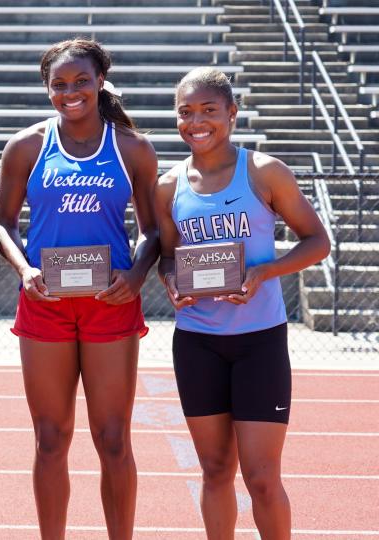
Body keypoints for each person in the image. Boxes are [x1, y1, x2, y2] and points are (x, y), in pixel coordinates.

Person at [0, 38, 160, 539]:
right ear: (47, 89)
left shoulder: (131, 147)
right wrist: (24, 271)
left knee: (113, 440)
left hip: (111, 305)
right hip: (45, 304)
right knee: (50, 439)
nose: (71, 92)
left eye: (81, 81)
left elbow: (152, 230)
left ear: (101, 80)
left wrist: (134, 276)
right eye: (59, 84)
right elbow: (3, 224)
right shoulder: (25, 146)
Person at [155, 67, 329, 539]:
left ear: (232, 113)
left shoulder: (264, 171)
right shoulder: (169, 185)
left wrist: (264, 271)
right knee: (214, 470)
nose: (197, 121)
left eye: (209, 110)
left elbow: (317, 241)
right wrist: (172, 283)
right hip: (197, 342)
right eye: (186, 112)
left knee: (261, 477)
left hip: (259, 341)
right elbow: (168, 257)